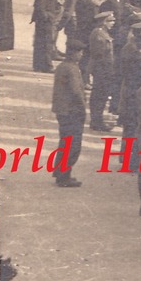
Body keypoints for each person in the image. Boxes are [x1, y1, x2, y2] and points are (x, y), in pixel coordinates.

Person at [50, 51, 86, 187]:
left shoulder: (61, 66)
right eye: (79, 52)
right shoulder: (72, 69)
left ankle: (60, 173)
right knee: (73, 145)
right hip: (72, 111)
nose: (81, 55)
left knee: (65, 143)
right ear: (73, 54)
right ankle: (64, 177)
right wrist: (83, 108)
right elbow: (76, 91)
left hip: (63, 111)